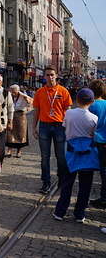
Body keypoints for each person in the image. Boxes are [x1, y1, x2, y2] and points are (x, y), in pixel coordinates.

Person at [52, 88, 98, 223]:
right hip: (88, 153)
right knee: (85, 185)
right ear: (92, 102)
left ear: (76, 99)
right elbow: (92, 133)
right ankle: (79, 214)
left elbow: (65, 127)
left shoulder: (70, 113)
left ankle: (60, 212)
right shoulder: (94, 118)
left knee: (67, 182)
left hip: (72, 151)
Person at [32, 65, 72, 194]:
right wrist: (33, 127)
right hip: (44, 126)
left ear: (56, 76)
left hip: (60, 127)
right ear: (44, 76)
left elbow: (68, 110)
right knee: (45, 157)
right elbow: (36, 110)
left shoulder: (63, 91)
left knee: (61, 156)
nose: (50, 77)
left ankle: (61, 179)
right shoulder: (39, 92)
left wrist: (68, 125)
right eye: (47, 75)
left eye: (52, 75)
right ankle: (46, 182)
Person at [88, 79, 106, 209]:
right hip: (105, 140)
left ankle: (89, 196)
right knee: (104, 171)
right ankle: (104, 196)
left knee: (90, 170)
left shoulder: (91, 106)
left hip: (95, 140)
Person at [6, 84, 33, 158]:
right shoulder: (9, 96)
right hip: (11, 115)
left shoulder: (23, 97)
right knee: (10, 132)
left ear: (18, 91)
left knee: (21, 133)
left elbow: (29, 106)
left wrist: (27, 101)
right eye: (12, 92)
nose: (13, 94)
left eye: (15, 92)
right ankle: (9, 150)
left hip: (20, 115)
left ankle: (19, 151)